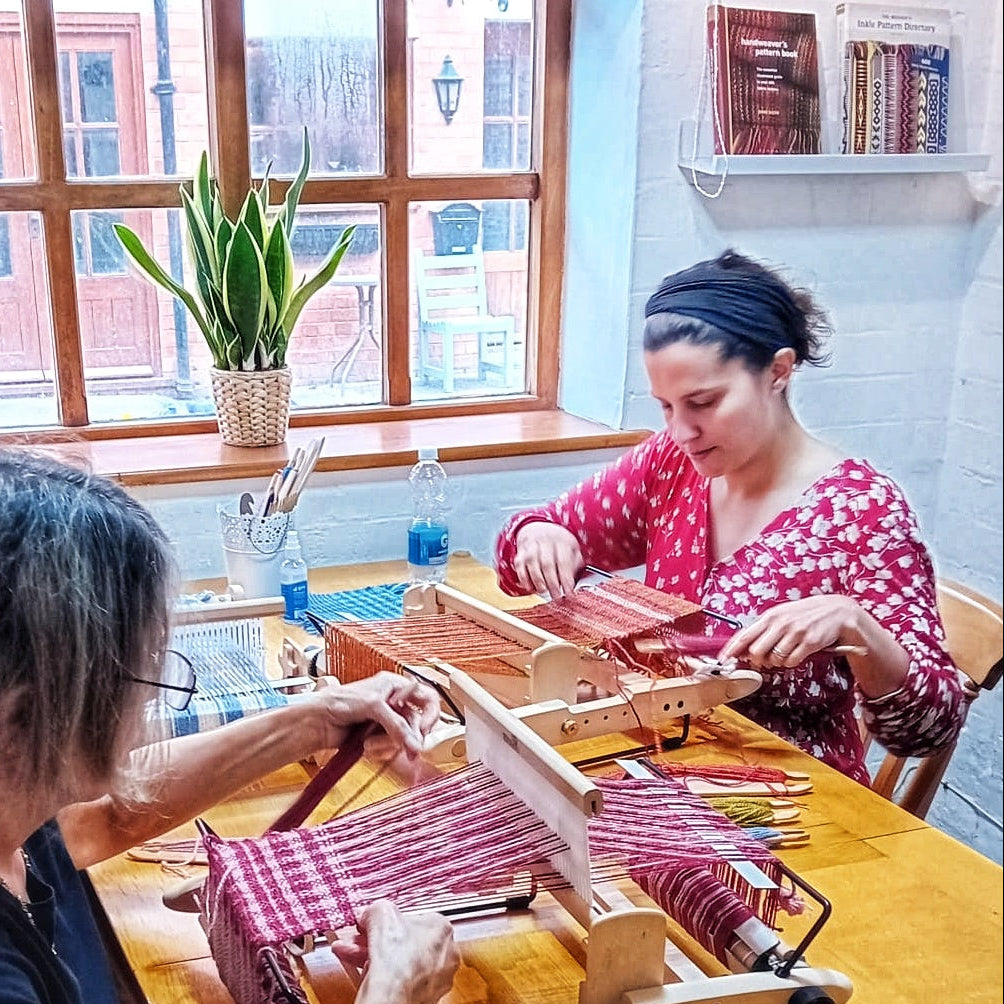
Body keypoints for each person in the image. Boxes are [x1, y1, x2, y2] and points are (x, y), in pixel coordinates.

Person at [0, 449, 459, 1004]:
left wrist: (315, 720)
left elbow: (102, 820)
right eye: (139, 682)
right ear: (20, 720)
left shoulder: (15, 812)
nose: (141, 714)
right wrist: (395, 990)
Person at [496, 249, 967, 785]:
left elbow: (929, 729)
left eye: (703, 402)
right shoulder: (671, 465)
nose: (681, 430)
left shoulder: (863, 513)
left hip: (795, 804)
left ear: (778, 371)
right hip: (662, 768)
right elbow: (515, 567)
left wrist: (856, 623)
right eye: (666, 406)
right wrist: (538, 534)